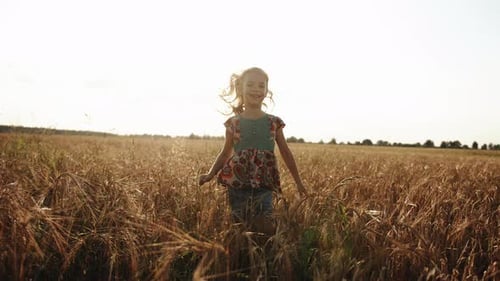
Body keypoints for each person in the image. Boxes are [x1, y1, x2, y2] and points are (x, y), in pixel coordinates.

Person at [198, 67, 307, 232]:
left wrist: (298, 182)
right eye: (250, 85)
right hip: (237, 183)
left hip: (264, 183)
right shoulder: (233, 123)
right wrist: (210, 174)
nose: (256, 89)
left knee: (265, 225)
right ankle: (242, 256)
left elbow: (286, 152)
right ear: (240, 88)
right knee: (240, 226)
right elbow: (225, 153)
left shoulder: (274, 122)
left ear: (266, 90)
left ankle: (265, 256)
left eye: (261, 86)